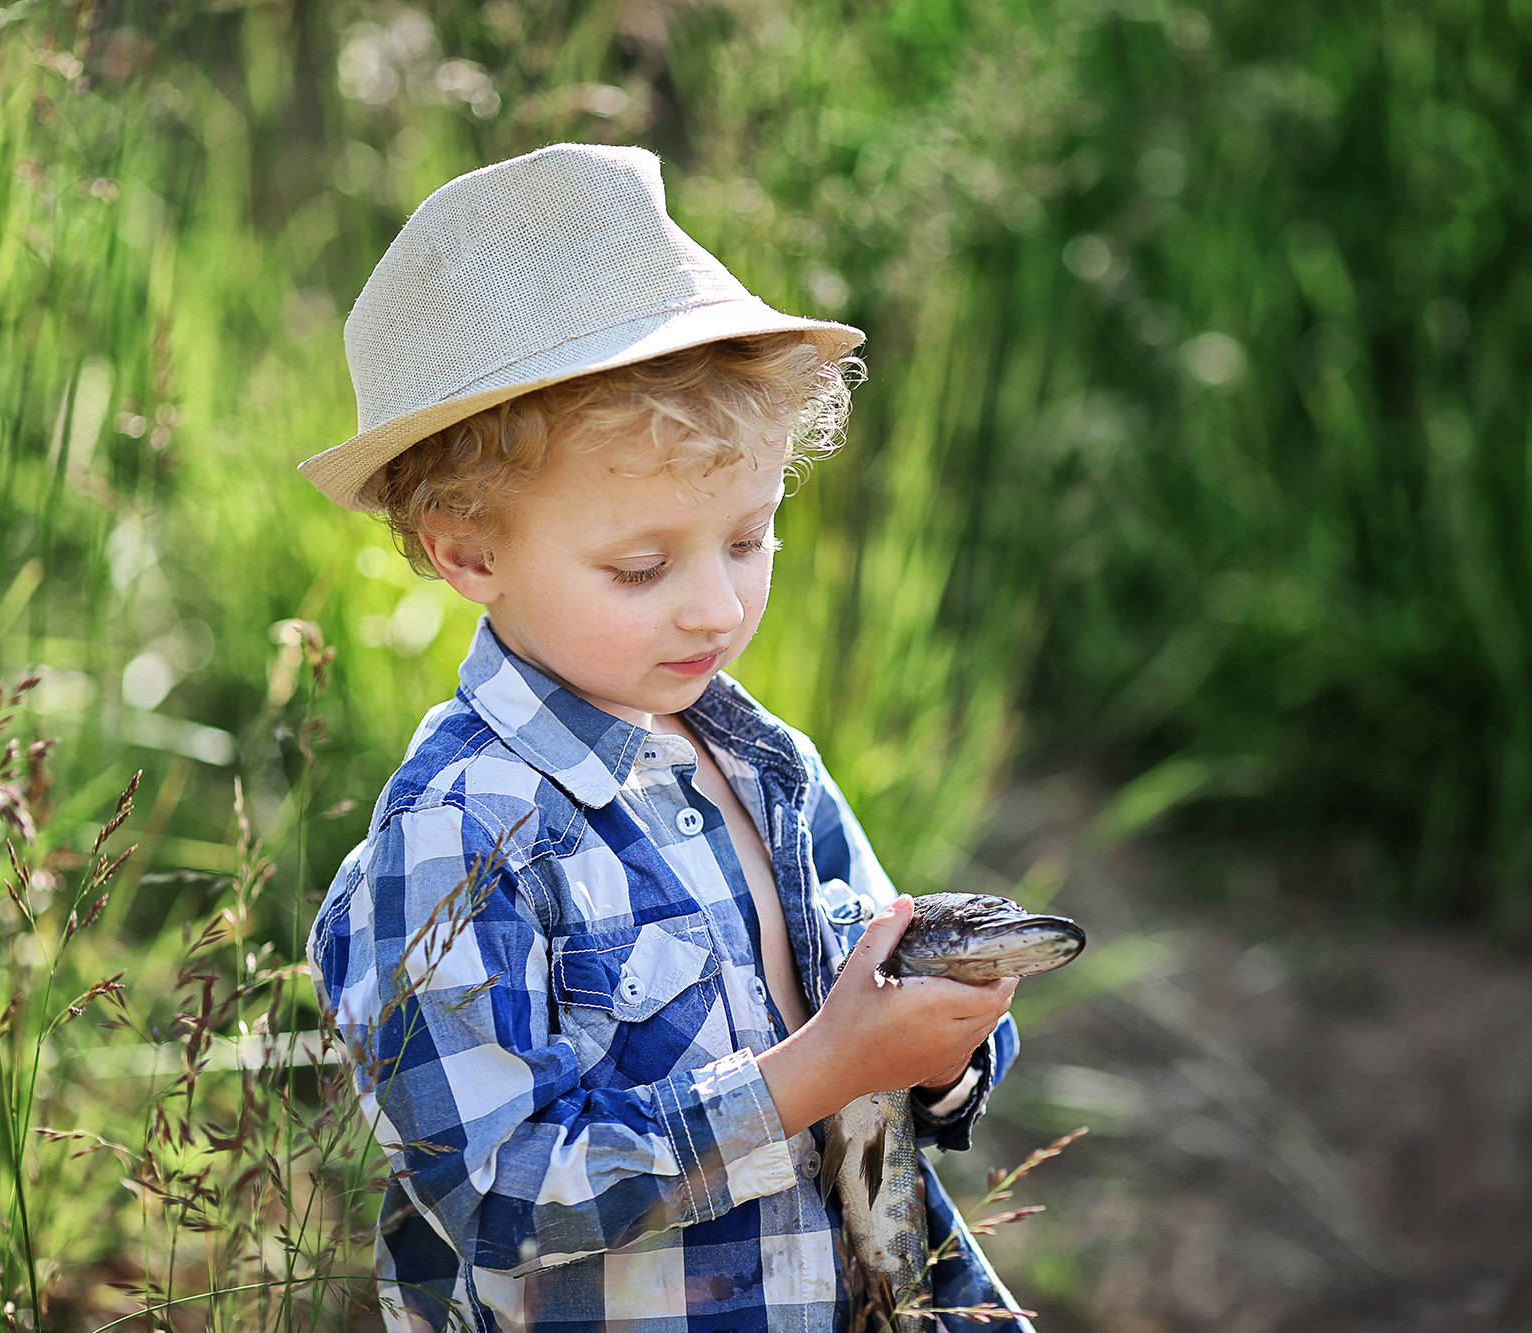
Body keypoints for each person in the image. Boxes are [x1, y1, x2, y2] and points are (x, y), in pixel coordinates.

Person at [303, 143, 1027, 1333]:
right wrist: (810, 1076)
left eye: (747, 539)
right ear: (467, 551)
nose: (714, 605)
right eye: (641, 566)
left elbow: (884, 1051)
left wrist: (935, 1048)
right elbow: (489, 1194)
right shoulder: (460, 832)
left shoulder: (766, 765)